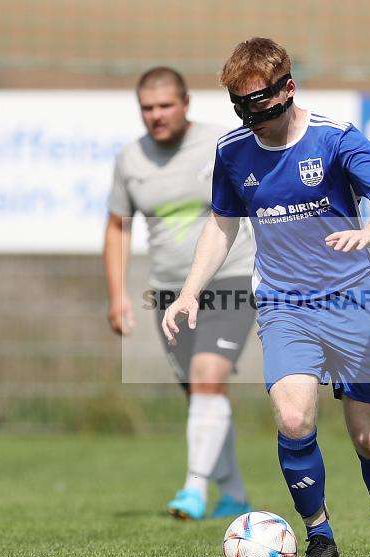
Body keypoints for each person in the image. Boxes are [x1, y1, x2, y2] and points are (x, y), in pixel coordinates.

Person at [162, 39, 370, 557]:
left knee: (369, 437)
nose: (251, 115)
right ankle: (320, 538)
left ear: (287, 89)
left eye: (259, 102)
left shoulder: (334, 139)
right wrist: (190, 290)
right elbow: (222, 223)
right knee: (295, 416)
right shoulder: (233, 151)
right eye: (240, 105)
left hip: (352, 302)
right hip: (284, 304)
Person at [104, 66, 257, 521]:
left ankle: (193, 489)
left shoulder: (222, 143)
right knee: (201, 398)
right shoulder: (130, 160)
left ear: (186, 103)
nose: (156, 115)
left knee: (208, 377)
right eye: (147, 108)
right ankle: (233, 495)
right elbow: (116, 227)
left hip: (229, 280)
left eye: (165, 105)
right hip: (169, 294)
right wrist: (117, 295)